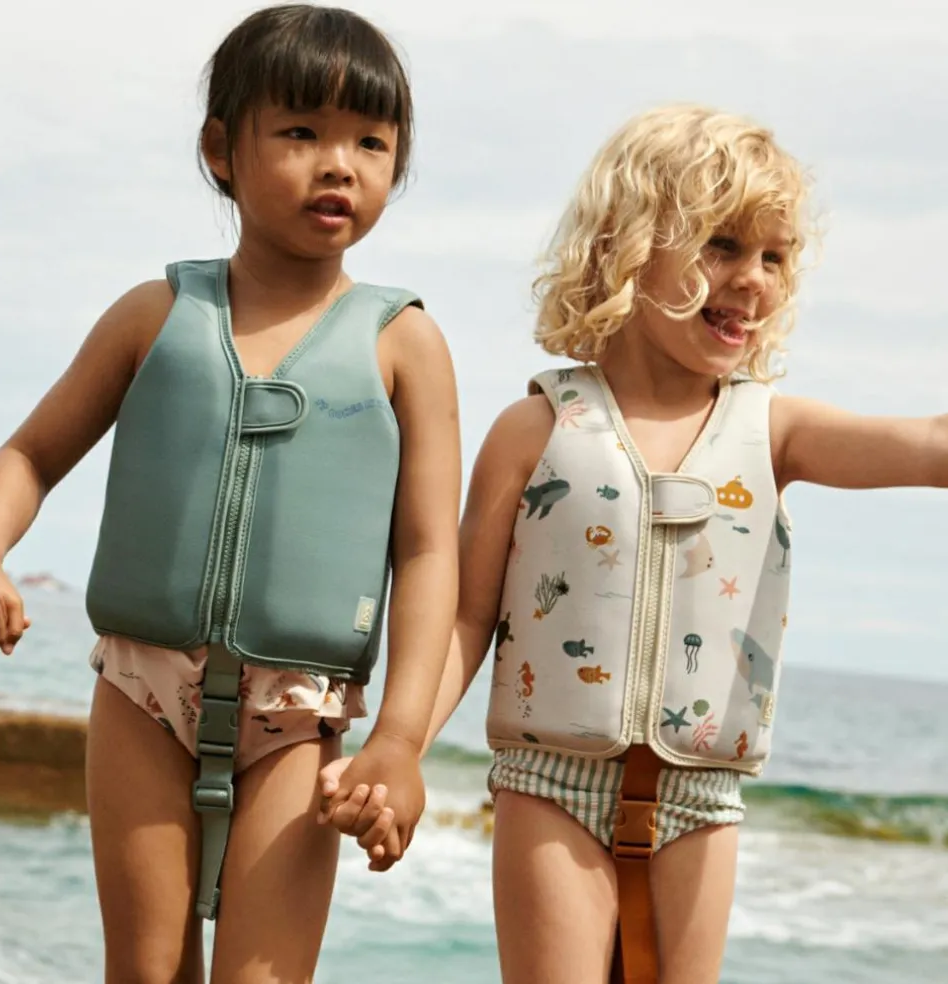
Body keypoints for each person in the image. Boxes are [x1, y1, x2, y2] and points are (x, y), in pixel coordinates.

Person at [318, 104, 948, 984]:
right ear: (627, 245)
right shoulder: (536, 428)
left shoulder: (776, 431)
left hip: (702, 798)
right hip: (550, 786)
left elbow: (929, 446)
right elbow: (466, 617)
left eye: (774, 257)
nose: (753, 279)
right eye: (723, 245)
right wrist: (402, 749)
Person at [0, 5, 460, 982]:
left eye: (371, 142)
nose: (340, 165)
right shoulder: (154, 316)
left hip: (299, 714)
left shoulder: (403, 343)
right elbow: (27, 457)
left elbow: (429, 549)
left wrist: (401, 740)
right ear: (221, 150)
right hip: (140, 691)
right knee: (145, 972)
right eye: (302, 132)